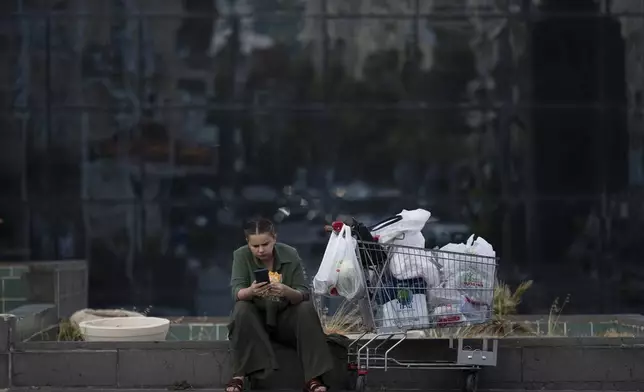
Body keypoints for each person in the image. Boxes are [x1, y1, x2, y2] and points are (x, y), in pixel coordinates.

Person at [226, 218, 334, 392]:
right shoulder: (240, 255)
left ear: (274, 238)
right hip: (256, 319)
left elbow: (303, 292)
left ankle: (313, 377)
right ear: (248, 243)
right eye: (255, 246)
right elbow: (237, 292)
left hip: (285, 317)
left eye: (265, 244)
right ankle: (239, 375)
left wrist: (285, 291)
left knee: (306, 309)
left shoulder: (290, 253)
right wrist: (251, 291)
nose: (261, 250)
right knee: (242, 308)